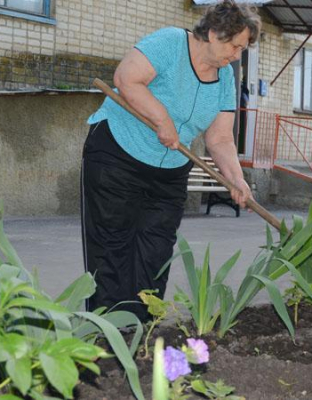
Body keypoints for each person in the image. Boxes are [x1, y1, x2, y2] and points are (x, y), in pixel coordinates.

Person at [80, 0, 261, 322]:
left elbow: (219, 138)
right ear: (215, 33)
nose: (236, 56)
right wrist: (162, 119)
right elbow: (126, 78)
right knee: (112, 252)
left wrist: (236, 179)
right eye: (235, 47)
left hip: (169, 172)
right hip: (118, 158)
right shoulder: (169, 43)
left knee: (155, 254)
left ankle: (141, 337)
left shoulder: (225, 78)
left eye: (242, 50)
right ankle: (104, 341)